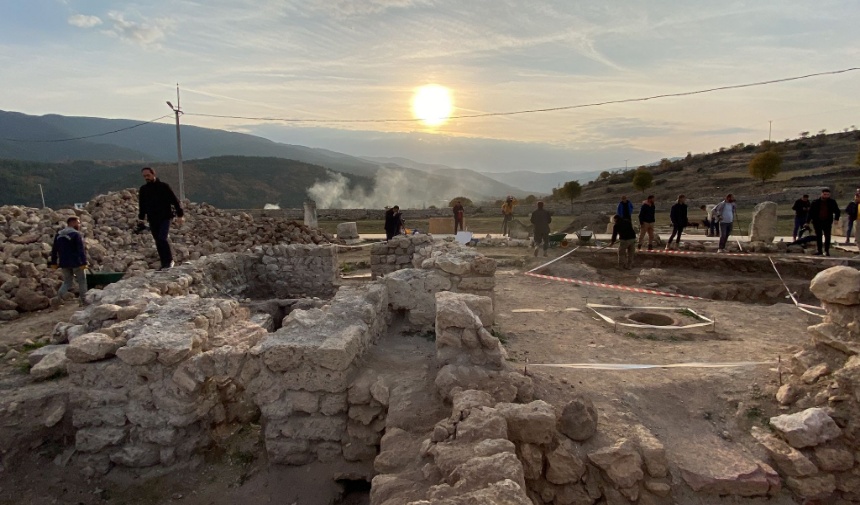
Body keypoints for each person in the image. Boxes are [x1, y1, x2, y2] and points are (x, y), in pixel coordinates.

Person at [138, 167, 184, 270]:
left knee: (162, 238)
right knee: (157, 240)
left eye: (148, 175)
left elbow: (175, 201)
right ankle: (164, 263)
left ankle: (170, 261)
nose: (146, 178)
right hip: (152, 219)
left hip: (165, 217)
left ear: (153, 174)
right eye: (144, 176)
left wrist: (180, 215)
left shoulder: (164, 187)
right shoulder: (143, 189)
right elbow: (142, 205)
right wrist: (141, 219)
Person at [49, 216, 88, 307]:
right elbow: (80, 250)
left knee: (67, 282)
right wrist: (83, 262)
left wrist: (54, 262)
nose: (79, 224)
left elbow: (54, 250)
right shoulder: (76, 234)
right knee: (82, 281)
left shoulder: (59, 235)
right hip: (76, 263)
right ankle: (84, 301)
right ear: (72, 223)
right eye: (78, 223)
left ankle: (58, 299)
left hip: (64, 263)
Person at [807, 188, 840, 256]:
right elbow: (810, 213)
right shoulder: (815, 202)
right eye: (824, 194)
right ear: (821, 194)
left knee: (827, 236)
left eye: (827, 195)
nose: (826, 196)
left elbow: (837, 211)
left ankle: (826, 251)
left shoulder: (832, 202)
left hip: (827, 221)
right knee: (818, 236)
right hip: (817, 222)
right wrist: (807, 222)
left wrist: (836, 219)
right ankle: (819, 251)